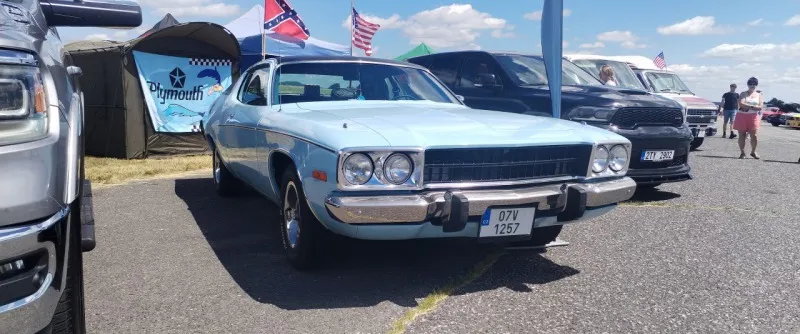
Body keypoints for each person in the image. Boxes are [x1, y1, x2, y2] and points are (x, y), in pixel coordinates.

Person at [733, 77, 763, 159]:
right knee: (742, 135)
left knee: (754, 135)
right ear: (748, 85)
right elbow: (741, 103)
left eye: (754, 85)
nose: (752, 86)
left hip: (753, 116)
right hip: (742, 116)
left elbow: (760, 106)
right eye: (750, 84)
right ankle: (742, 153)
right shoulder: (743, 93)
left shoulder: (759, 95)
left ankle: (753, 151)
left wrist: (749, 107)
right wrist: (753, 107)